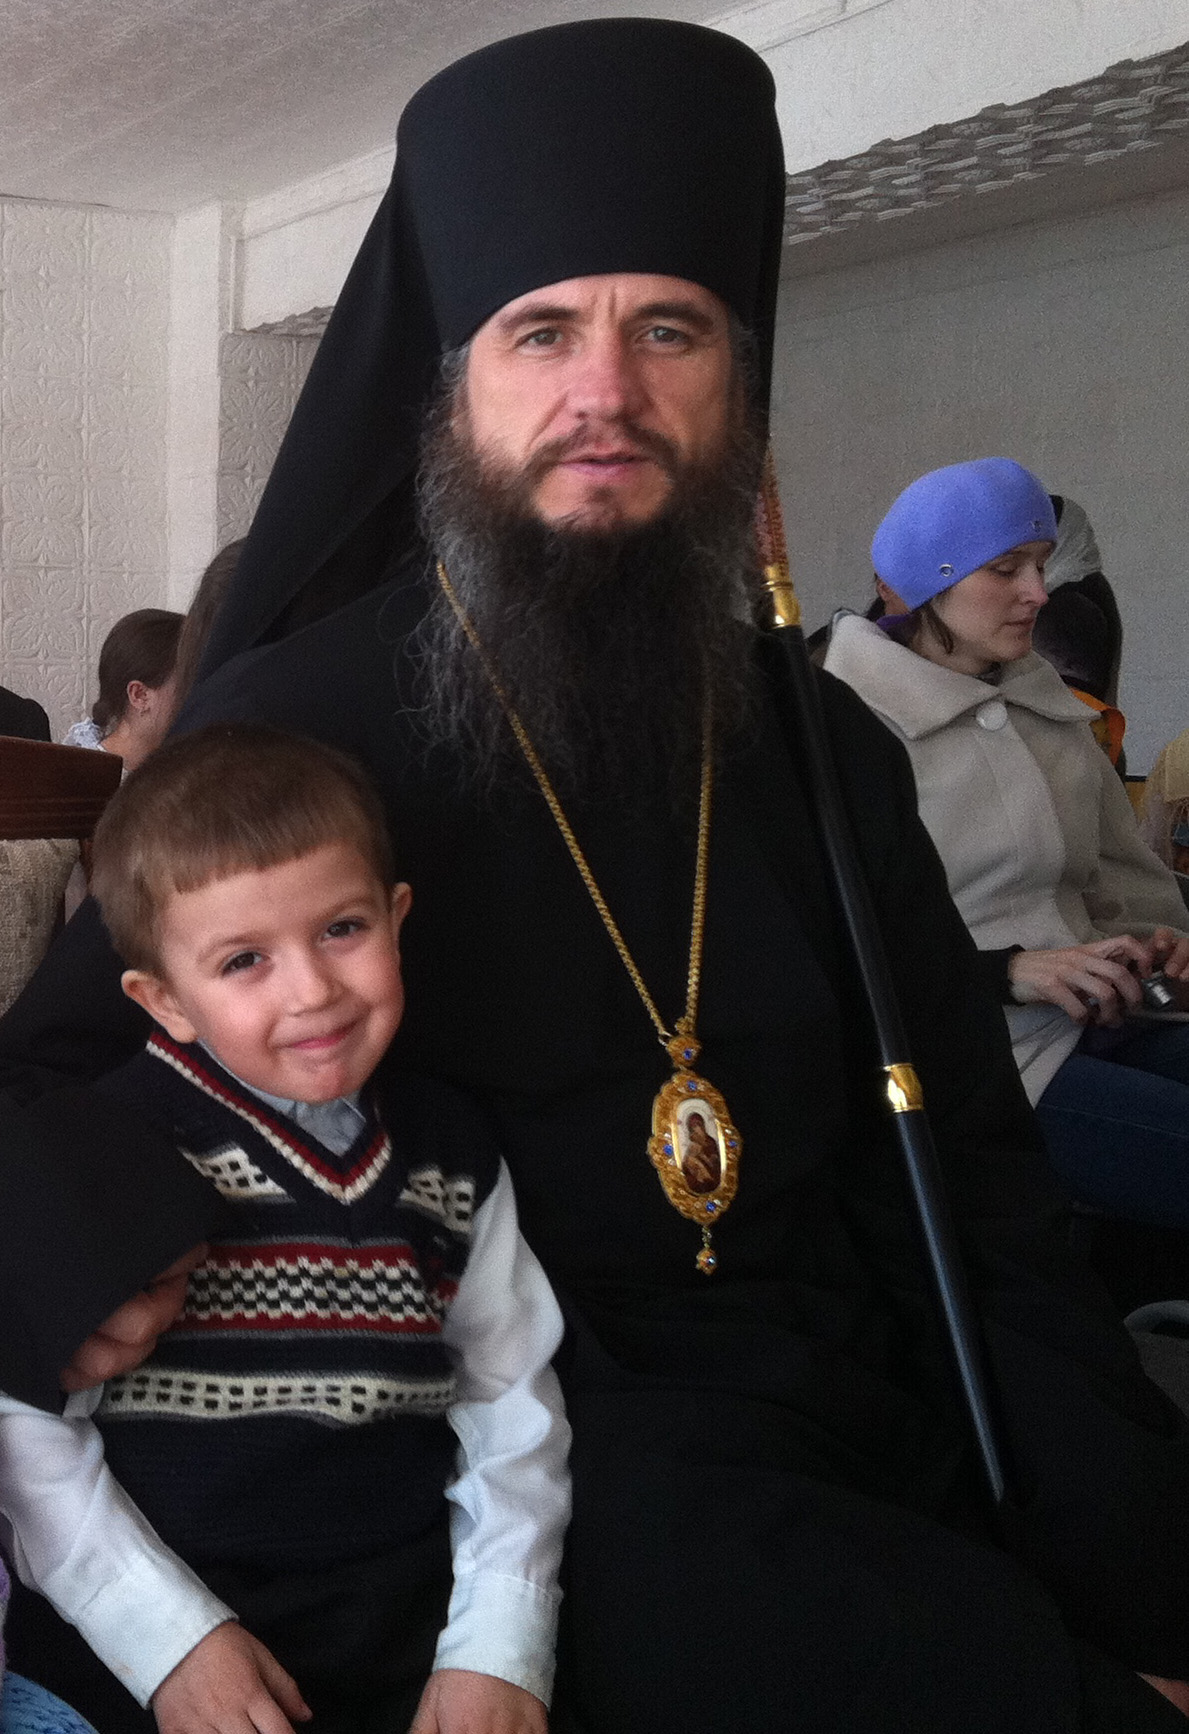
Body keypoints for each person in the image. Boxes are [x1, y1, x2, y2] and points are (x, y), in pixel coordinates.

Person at [3, 21, 1189, 1731]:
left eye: (668, 330)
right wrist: (79, 1256)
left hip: (850, 1376)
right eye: (542, 330)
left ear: (735, 384)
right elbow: (61, 1074)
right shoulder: (296, 723)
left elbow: (976, 1174)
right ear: (454, 387)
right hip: (504, 1436)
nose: (605, 392)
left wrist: (1118, 1527)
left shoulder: (821, 739)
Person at [1, 724, 568, 1734]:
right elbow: (32, 1436)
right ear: (164, 1001)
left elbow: (508, 1394)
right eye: (244, 960)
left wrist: (500, 1644)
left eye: (342, 928)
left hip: (404, 1643)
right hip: (140, 1654)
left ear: (397, 917)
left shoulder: (452, 1151)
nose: (312, 991)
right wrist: (168, 1644)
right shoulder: (101, 1147)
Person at [825, 457, 1189, 1229]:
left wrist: (1160, 946)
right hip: (973, 1060)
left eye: (1040, 564)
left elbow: (1120, 883)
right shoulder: (838, 726)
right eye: (1004, 569)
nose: (1038, 592)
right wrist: (1007, 971)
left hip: (1106, 1021)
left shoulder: (1045, 703)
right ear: (919, 583)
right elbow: (825, 953)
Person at [62, 610, 182, 771]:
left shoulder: (181, 767)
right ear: (140, 695)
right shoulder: (80, 775)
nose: (201, 696)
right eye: (190, 683)